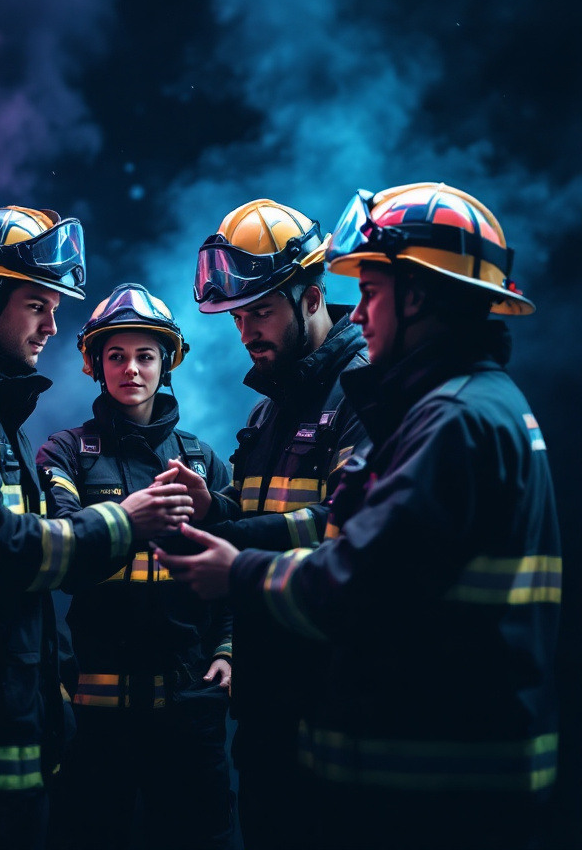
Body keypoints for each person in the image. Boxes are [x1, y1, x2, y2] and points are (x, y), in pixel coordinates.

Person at [157, 182, 562, 850]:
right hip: (393, 760)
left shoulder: (446, 418)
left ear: (419, 295)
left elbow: (358, 573)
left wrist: (237, 566)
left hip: (438, 783)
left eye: (371, 292)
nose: (362, 312)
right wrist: (221, 511)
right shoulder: (447, 406)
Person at [0, 211, 192, 850]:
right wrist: (127, 520)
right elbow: (5, 552)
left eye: (56, 307)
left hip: (15, 717)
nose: (53, 325)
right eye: (38, 304)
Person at [180, 198, 367, 848]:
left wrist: (231, 542)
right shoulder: (271, 406)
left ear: (312, 297)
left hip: (331, 701)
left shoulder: (364, 393)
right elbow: (271, 521)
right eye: (238, 316)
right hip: (269, 702)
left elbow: (349, 529)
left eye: (260, 311)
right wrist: (216, 511)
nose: (245, 331)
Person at [36, 283, 234, 850]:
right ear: (95, 365)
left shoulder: (201, 460)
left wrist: (226, 650)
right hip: (97, 715)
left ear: (166, 362)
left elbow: (232, 566)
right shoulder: (65, 454)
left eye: (145, 356)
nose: (131, 369)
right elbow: (66, 564)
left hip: (190, 709)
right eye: (116, 356)